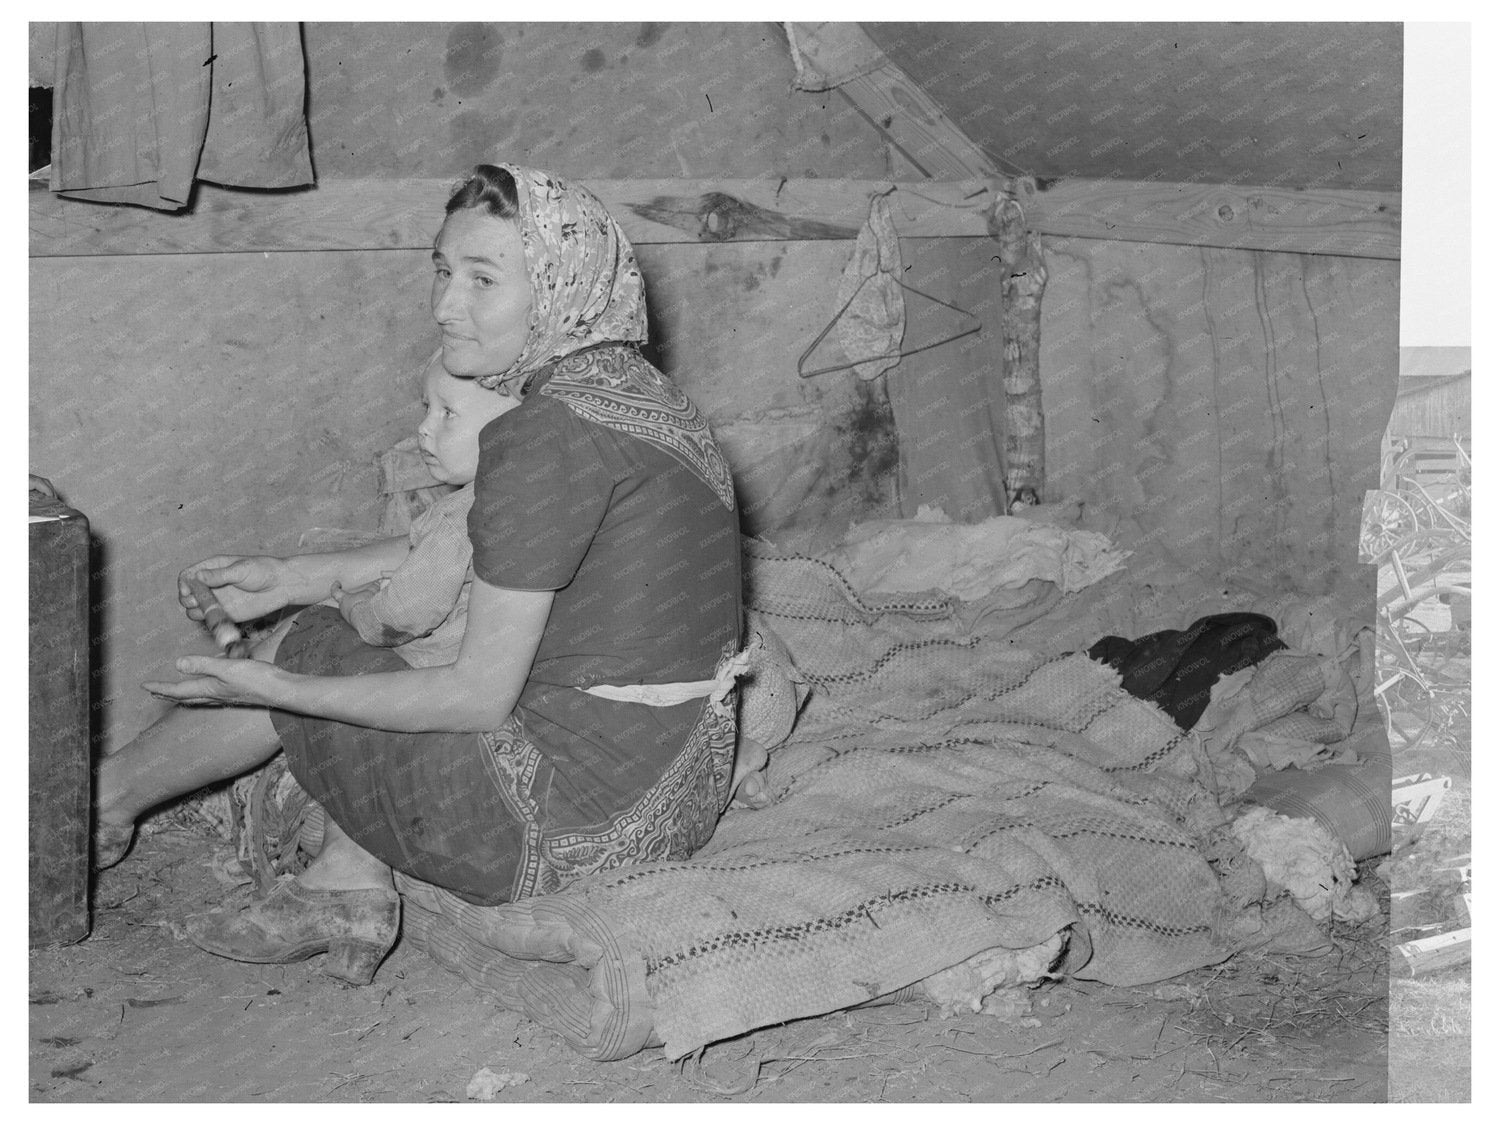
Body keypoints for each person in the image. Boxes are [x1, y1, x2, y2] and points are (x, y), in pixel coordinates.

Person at [93, 164, 744, 986]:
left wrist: (272, 683)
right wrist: (299, 572)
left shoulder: (543, 434)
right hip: (667, 796)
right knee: (364, 643)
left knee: (321, 651)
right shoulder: (630, 394)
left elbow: (474, 698)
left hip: (555, 824)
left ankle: (102, 803)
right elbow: (484, 546)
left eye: (484, 279)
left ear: (557, 285)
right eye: (443, 269)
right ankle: (343, 878)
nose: (445, 306)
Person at [332, 351, 519, 668]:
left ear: (508, 428)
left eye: (447, 413)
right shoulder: (528, 492)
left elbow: (400, 617)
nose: (423, 427)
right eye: (427, 408)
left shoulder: (459, 519)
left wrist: (357, 610)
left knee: (316, 634)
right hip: (506, 660)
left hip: (433, 667)